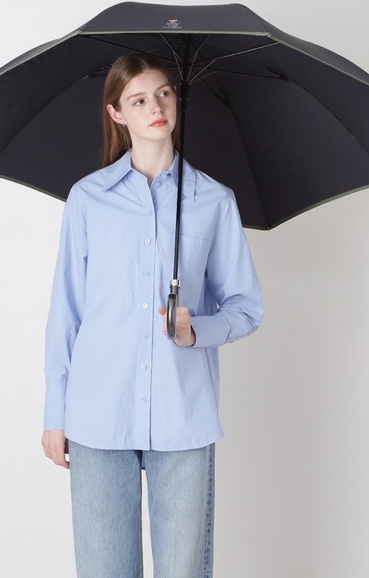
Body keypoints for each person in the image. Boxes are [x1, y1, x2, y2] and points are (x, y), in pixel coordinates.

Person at [41, 53, 264, 578]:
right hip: (98, 416)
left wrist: (195, 330)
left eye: (164, 93)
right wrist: (55, 413)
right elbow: (66, 311)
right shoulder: (88, 199)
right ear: (117, 113)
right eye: (139, 100)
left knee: (184, 571)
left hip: (182, 416)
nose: (156, 107)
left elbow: (247, 307)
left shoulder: (213, 200)